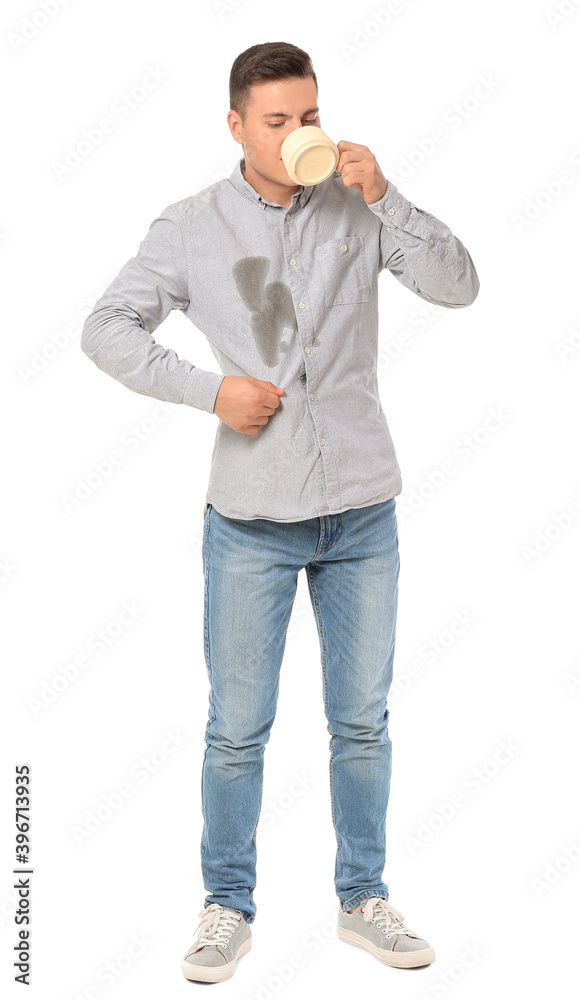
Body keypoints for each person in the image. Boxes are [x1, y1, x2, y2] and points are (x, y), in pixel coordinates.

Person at [81, 41, 479, 984]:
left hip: (361, 512)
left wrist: (386, 193)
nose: (300, 134)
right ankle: (227, 907)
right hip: (251, 517)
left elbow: (459, 285)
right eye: (277, 121)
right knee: (236, 728)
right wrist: (210, 390)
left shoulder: (358, 202)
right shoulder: (191, 226)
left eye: (309, 115)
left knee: (363, 723)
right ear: (235, 126)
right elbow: (106, 327)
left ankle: (363, 900)